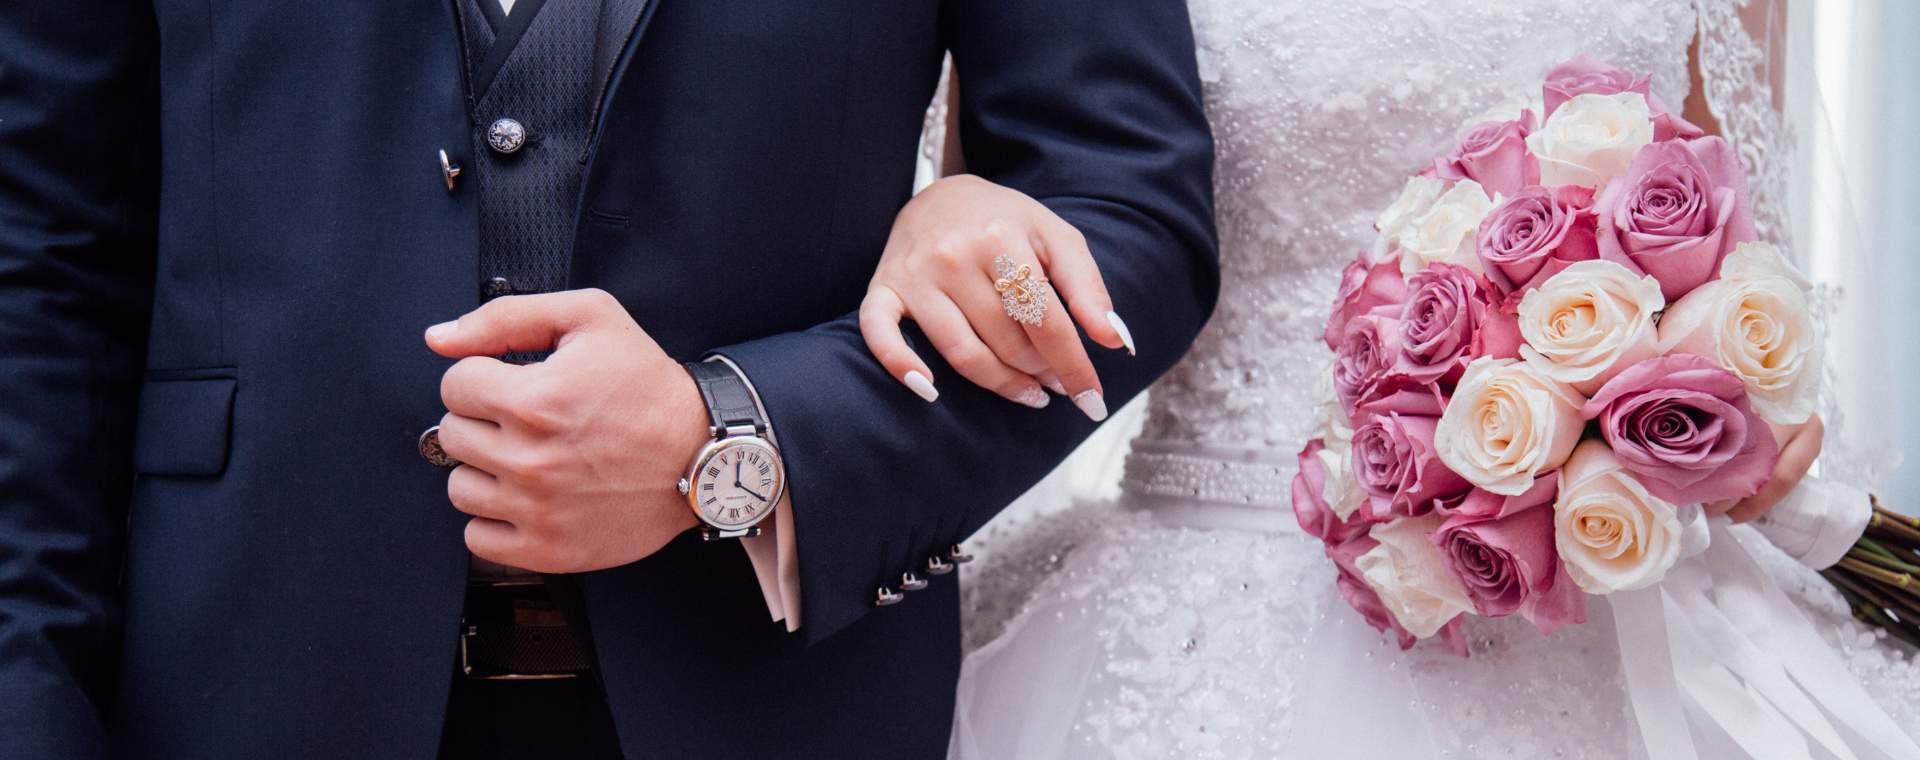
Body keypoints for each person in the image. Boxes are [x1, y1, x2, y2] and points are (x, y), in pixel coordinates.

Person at [0, 1, 1216, 758]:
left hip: (773, 700)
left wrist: (737, 439)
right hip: (232, 689)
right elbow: (42, 265)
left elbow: (1127, 218)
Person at [873, 1, 1920, 757]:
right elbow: (1035, 235)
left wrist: (1722, 401)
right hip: (1210, 590)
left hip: (1619, 571)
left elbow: (1724, 209)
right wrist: (939, 218)